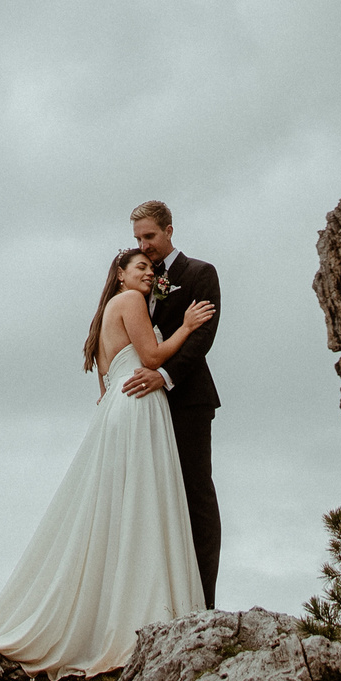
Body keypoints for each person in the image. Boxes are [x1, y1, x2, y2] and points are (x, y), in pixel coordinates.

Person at [0, 245, 217, 675]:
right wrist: (186, 325)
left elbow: (105, 382)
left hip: (115, 410)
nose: (148, 273)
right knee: (143, 504)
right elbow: (153, 358)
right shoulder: (131, 301)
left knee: (120, 509)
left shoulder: (105, 312)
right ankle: (143, 607)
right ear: (120, 274)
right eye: (139, 267)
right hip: (138, 406)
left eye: (150, 268)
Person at [119, 200, 223, 608]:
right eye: (138, 240)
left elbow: (202, 338)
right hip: (144, 404)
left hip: (188, 400)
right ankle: (163, 599)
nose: (144, 247)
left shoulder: (199, 273)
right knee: (154, 498)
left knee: (196, 493)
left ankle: (204, 602)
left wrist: (163, 377)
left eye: (150, 236)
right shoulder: (135, 280)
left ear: (169, 231)